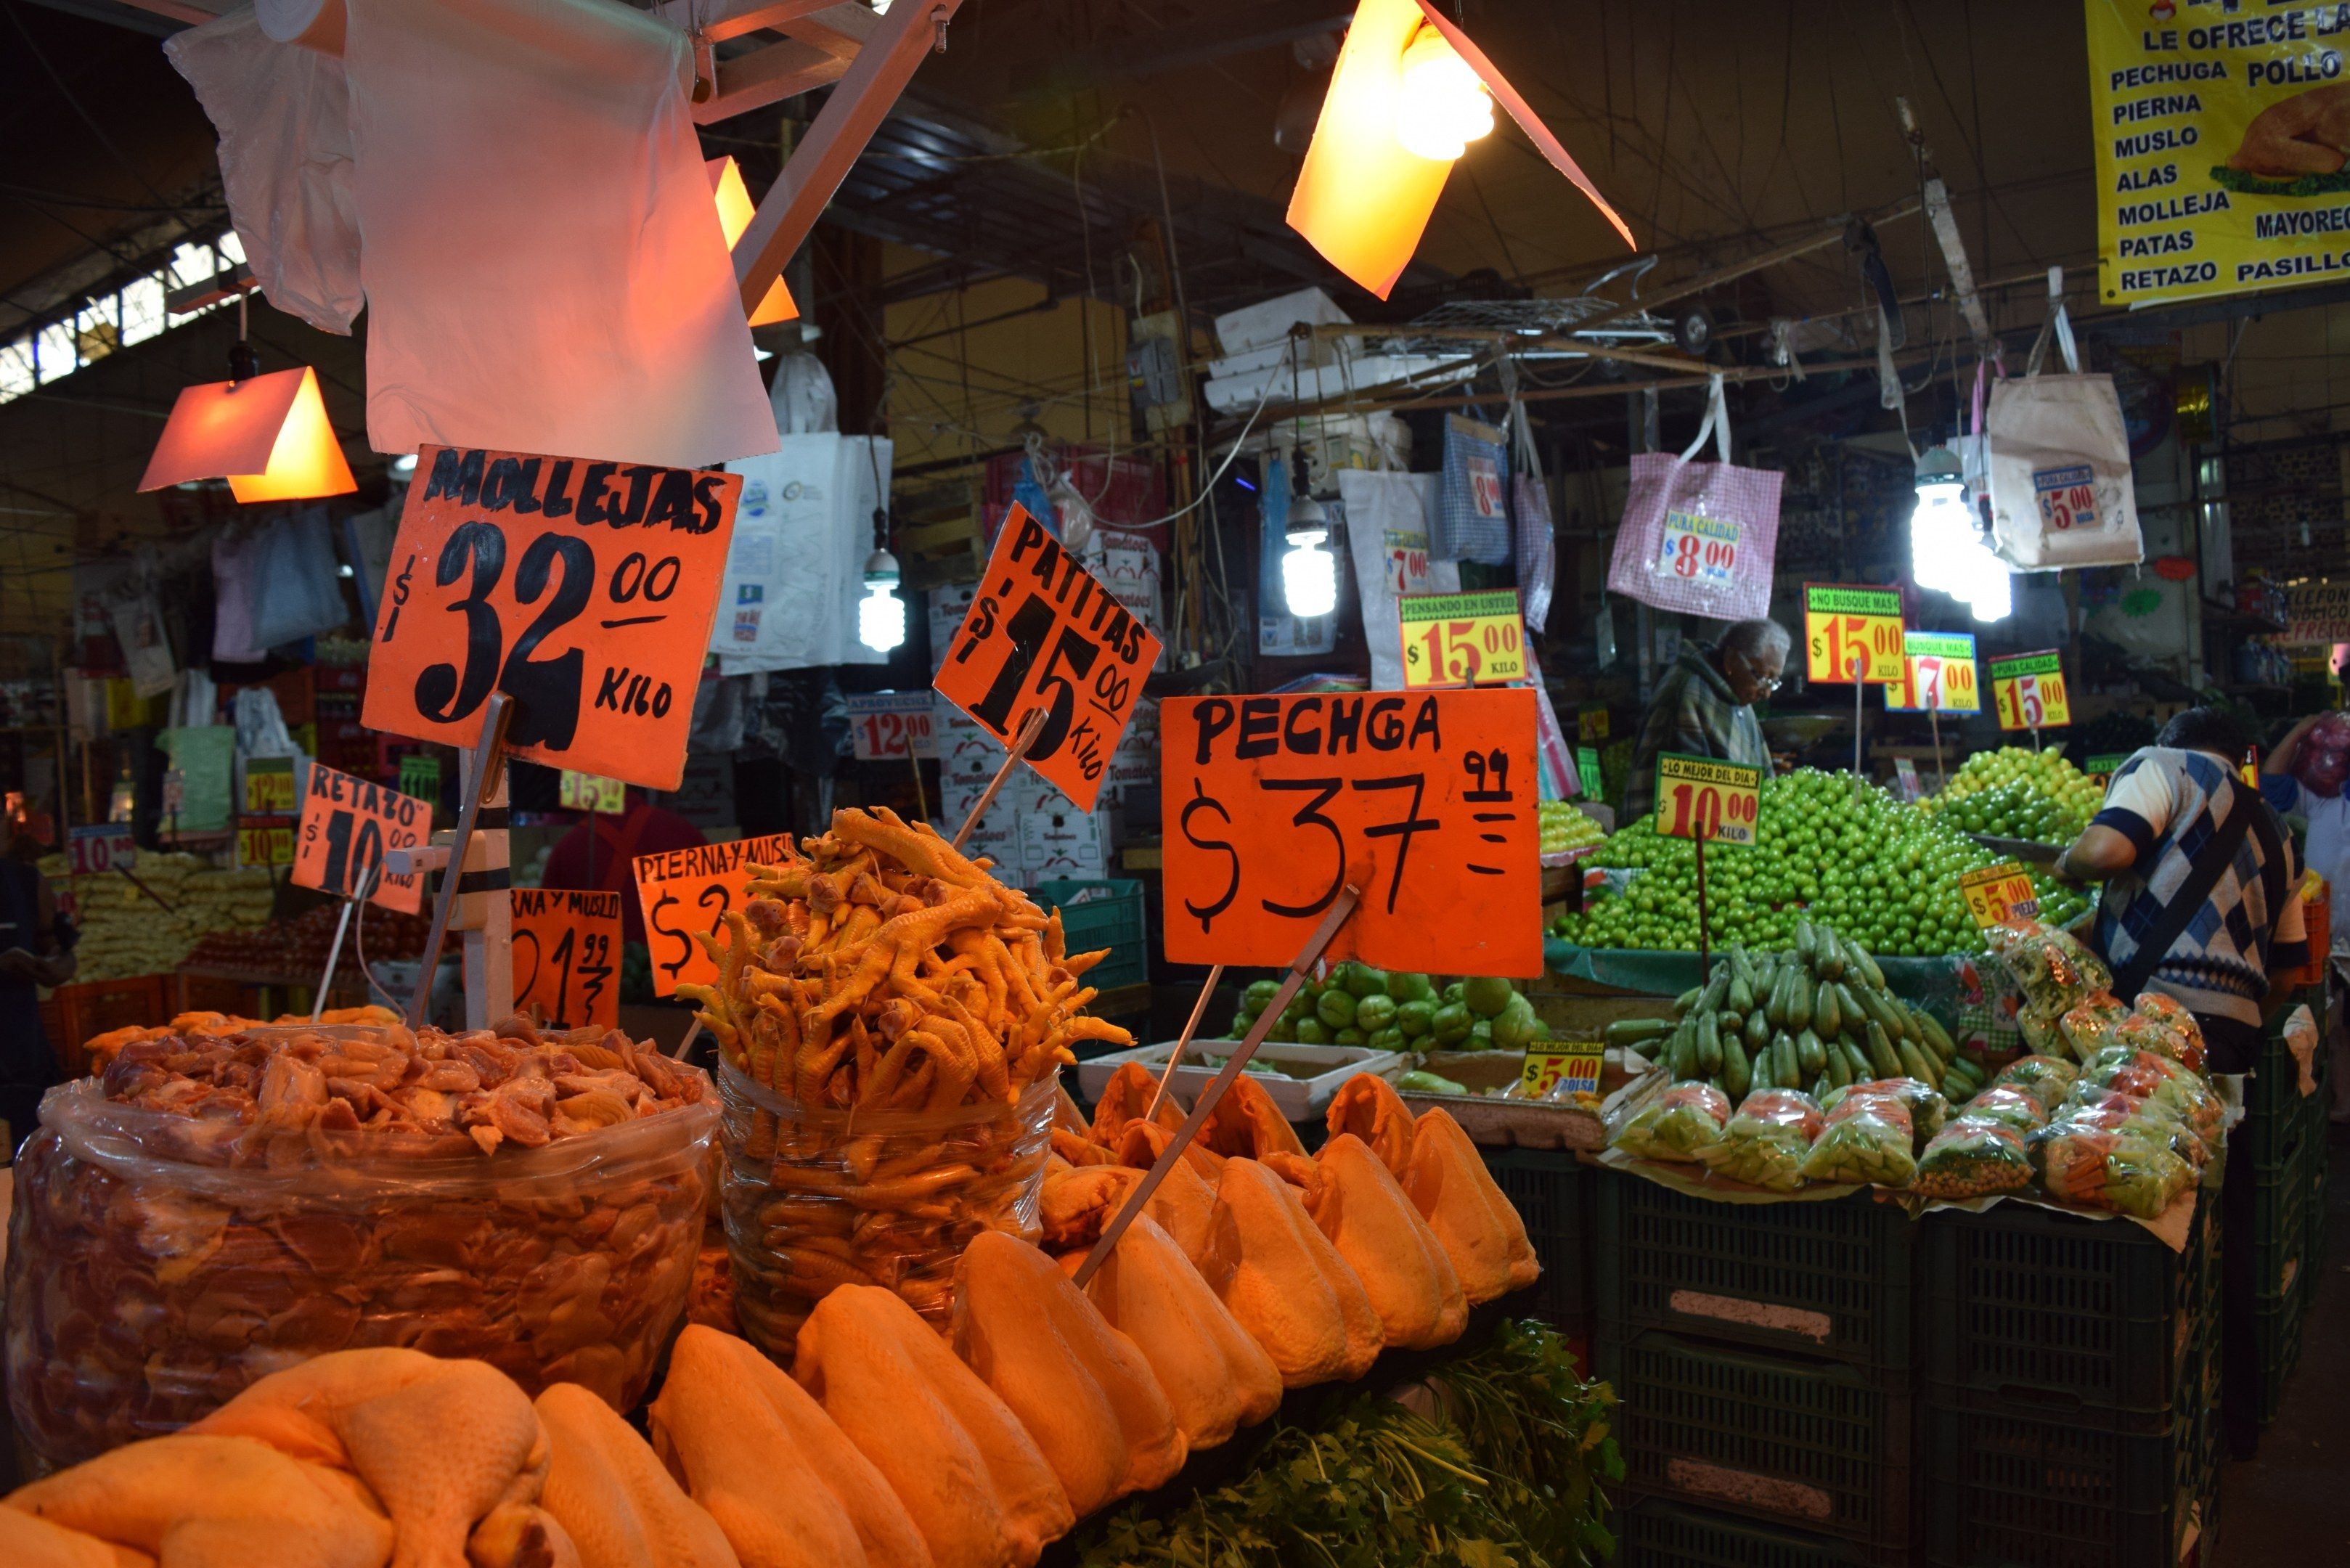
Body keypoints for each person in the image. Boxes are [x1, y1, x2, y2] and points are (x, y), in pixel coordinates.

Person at [2052, 706, 2307, 1460]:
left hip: (2149, 1032)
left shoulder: (2162, 768)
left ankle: (2123, 1410)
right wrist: (2224, 1017)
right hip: (2229, 1038)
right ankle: (2234, 1415)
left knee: (2128, 1193)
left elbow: (2106, 848)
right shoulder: (2277, 831)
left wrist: (2061, 864)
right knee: (2213, 1206)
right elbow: (2291, 968)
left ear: (2174, 743)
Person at [2259, 710, 2350, 1124]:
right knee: (2335, 1031)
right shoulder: (2324, 801)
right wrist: (2301, 728)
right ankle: (2341, 1106)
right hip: (2329, 939)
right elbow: (2270, 783)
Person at [1623, 618, 1787, 821]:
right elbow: (1692, 799)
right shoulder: (1688, 692)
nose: (1766, 693)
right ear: (1732, 660)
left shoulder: (1737, 697)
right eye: (1762, 677)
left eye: (1773, 682)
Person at [0, 806, 78, 1151]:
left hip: (20, 1048)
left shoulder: (26, 882)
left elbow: (55, 950)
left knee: (29, 1152)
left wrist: (55, 964)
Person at [541, 788, 707, 946]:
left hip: (602, 970)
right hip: (680, 967)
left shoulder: (567, 849)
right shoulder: (683, 831)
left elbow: (551, 932)